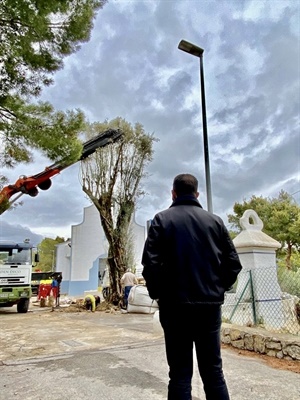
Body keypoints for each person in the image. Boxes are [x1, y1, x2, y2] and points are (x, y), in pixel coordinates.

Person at [142, 173, 243, 400]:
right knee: (214, 373)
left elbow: (150, 264)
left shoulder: (161, 219)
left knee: (179, 374)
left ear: (173, 193)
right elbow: (233, 264)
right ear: (197, 194)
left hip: (174, 307)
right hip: (209, 308)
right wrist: (217, 289)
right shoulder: (215, 221)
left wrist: (159, 294)